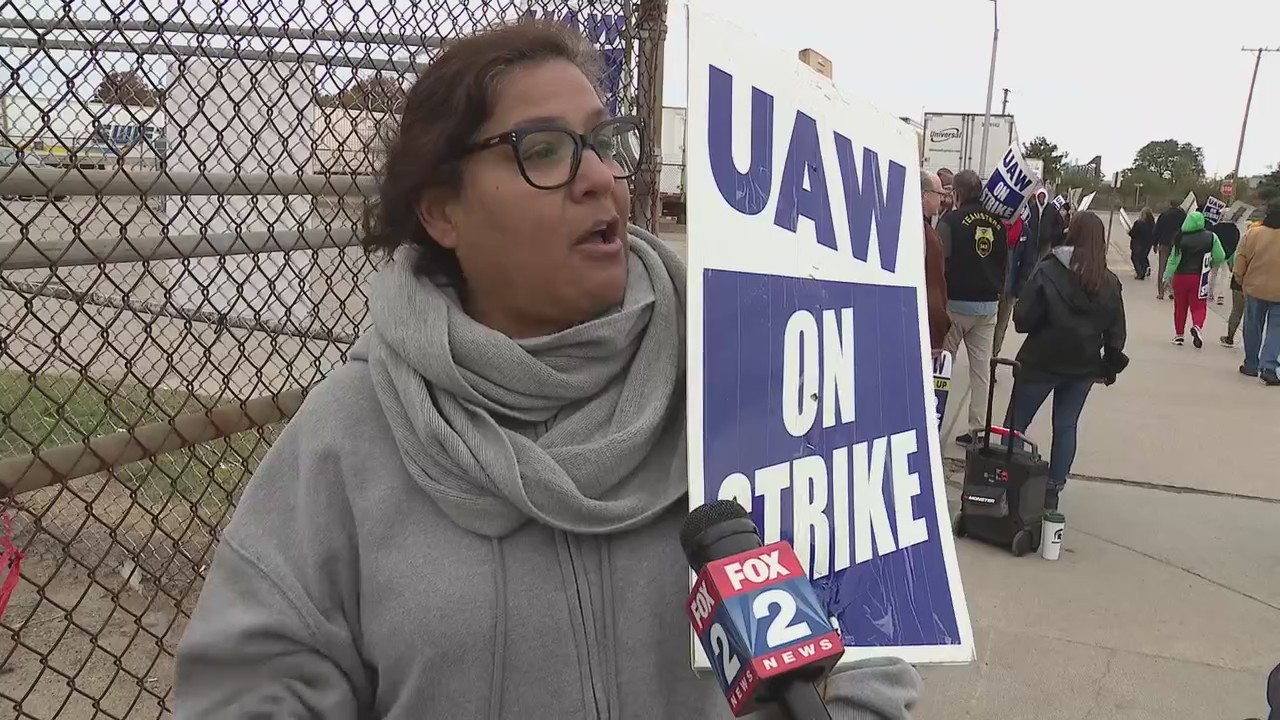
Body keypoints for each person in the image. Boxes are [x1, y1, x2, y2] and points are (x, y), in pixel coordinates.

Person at [172, 20, 923, 719]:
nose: (599, 178)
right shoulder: (346, 440)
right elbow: (249, 682)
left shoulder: (750, 380)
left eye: (601, 143)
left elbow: (872, 644)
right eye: (543, 150)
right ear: (442, 212)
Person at [1004, 212, 1127, 511]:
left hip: (1041, 359)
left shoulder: (1049, 269)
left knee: (1015, 425)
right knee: (1066, 425)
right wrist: (1108, 367)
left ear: (1072, 233)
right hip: (1083, 364)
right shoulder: (1109, 282)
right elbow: (1116, 332)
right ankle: (1053, 489)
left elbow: (1023, 319)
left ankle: (1010, 484)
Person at [939, 169, 1008, 445]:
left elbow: (939, 259)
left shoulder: (951, 221)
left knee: (942, 367)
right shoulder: (998, 224)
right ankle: (978, 430)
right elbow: (1003, 262)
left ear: (957, 193)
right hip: (988, 306)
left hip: (955, 305)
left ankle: (933, 421)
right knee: (981, 372)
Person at [1162, 210, 1226, 348]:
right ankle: (1197, 326)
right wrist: (1211, 263)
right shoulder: (1211, 237)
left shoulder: (1180, 237)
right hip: (1199, 277)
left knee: (1180, 307)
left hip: (1180, 277)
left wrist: (1167, 276)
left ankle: (1179, 335)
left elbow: (1173, 260)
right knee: (1199, 306)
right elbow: (1220, 256)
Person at [1234, 204, 1280, 385]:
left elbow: (1241, 257)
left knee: (1253, 326)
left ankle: (1251, 364)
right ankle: (1269, 366)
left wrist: (1239, 276)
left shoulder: (1253, 234)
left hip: (1254, 287)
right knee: (1276, 330)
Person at [994, 210, 1037, 358]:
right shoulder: (995, 226)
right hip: (992, 289)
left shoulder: (1025, 232)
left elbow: (1028, 264)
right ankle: (986, 359)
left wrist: (1020, 289)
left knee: (1000, 327)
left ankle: (993, 357)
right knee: (987, 328)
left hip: (1010, 290)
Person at [922, 170, 951, 351]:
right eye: (938, 194)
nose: (941, 200)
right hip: (928, 330)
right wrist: (940, 327)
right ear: (924, 195)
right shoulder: (930, 239)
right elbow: (935, 291)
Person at [1153, 199, 1187, 300]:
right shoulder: (1183, 215)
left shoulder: (1164, 215)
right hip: (1177, 244)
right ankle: (1173, 291)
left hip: (1164, 244)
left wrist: (1154, 244)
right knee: (1176, 268)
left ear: (1169, 204)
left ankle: (1161, 292)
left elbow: (1157, 230)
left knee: (1162, 269)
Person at [1208, 215, 1242, 305]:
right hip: (1228, 255)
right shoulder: (1235, 230)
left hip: (1216, 253)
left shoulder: (1216, 228)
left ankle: (1210, 293)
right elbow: (1235, 244)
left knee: (1213, 273)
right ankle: (1221, 296)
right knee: (1225, 275)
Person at [1128, 207, 1156, 280]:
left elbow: (1133, 233)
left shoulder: (1138, 223)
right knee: (1143, 257)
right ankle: (1146, 268)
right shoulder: (1152, 224)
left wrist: (1129, 232)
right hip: (1148, 243)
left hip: (1138, 243)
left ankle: (1140, 273)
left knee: (1135, 257)